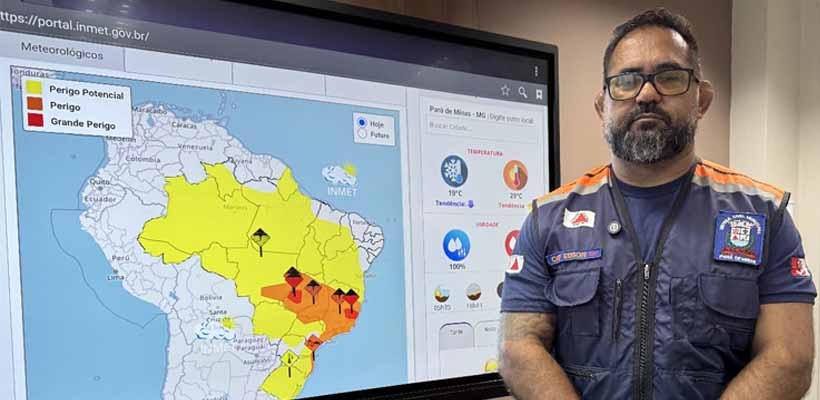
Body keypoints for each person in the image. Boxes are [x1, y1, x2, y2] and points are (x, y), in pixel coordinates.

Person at [498, 8, 816, 400]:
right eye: (626, 81)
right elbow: (519, 347)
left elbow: (789, 357)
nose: (647, 94)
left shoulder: (763, 215)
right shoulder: (548, 219)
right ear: (602, 106)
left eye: (669, 77)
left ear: (701, 99)